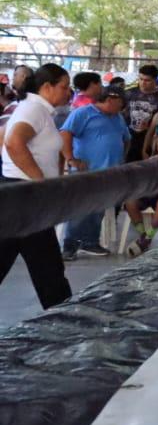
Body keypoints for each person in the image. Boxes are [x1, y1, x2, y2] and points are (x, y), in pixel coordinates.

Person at [0, 64, 74, 309]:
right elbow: (12, 141)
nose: (68, 92)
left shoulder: (36, 110)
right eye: (64, 86)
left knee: (46, 266)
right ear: (46, 87)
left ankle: (61, 315)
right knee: (48, 268)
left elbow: (4, 137)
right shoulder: (33, 109)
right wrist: (39, 181)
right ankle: (62, 318)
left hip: (21, 196)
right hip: (26, 197)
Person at [59, 86, 131, 258]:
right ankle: (70, 245)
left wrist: (121, 157)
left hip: (109, 171)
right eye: (121, 104)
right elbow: (65, 134)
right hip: (86, 170)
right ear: (110, 99)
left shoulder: (118, 117)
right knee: (80, 208)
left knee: (98, 208)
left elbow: (126, 138)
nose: (122, 108)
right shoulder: (83, 113)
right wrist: (71, 159)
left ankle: (90, 242)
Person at [123, 65, 158, 163]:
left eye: (147, 80)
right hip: (127, 138)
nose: (143, 83)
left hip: (148, 140)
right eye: (141, 79)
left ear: (155, 80)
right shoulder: (127, 94)